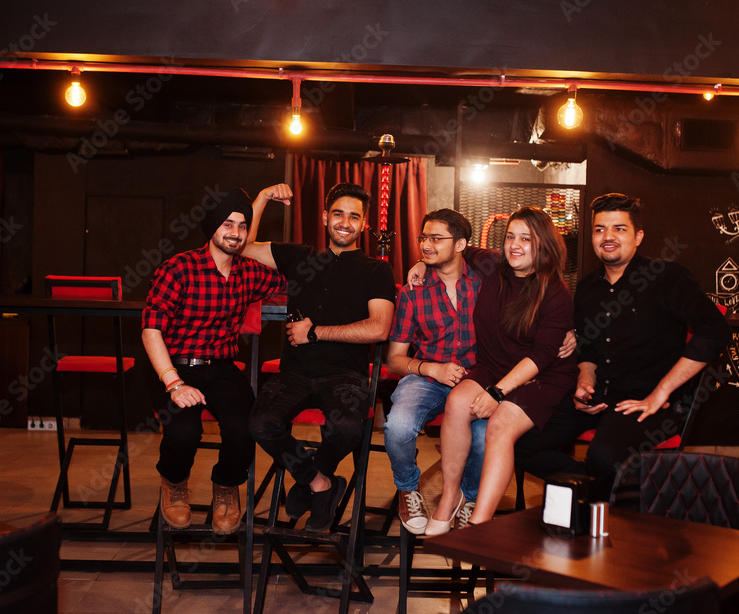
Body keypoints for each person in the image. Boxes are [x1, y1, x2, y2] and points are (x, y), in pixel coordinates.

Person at [515, 193, 732, 500]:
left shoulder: (668, 278)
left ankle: (601, 505)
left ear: (638, 236)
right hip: (598, 399)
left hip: (650, 404)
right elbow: (588, 352)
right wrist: (584, 382)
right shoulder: (588, 288)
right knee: (520, 443)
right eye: (601, 229)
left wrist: (661, 392)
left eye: (619, 228)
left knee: (603, 458)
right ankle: (599, 489)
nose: (608, 237)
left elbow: (716, 331)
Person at [245, 182, 397, 532]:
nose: (345, 222)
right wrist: (262, 197)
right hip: (294, 374)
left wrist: (315, 331)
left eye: (354, 217)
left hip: (346, 375)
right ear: (326, 217)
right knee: (259, 423)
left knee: (347, 428)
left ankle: (308, 479)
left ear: (364, 224)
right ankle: (320, 483)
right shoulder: (300, 257)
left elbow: (379, 328)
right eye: (339, 213)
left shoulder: (377, 270)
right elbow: (245, 248)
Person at [422, 206, 576, 534]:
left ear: (544, 245)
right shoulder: (491, 265)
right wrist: (421, 263)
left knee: (500, 425)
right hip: (494, 365)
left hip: (542, 376)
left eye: (526, 239)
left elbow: (544, 354)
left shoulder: (555, 292)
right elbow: (446, 248)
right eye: (510, 237)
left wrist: (497, 392)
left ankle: (480, 525)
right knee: (458, 402)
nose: (514, 245)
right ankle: (450, 497)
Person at [142, 188, 285, 535]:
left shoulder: (250, 273)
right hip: (175, 366)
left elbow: (296, 275)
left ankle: (226, 486)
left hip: (221, 367)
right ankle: (174, 483)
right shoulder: (178, 269)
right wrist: (174, 383)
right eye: (227, 224)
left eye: (241, 226)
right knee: (184, 430)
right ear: (211, 227)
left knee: (245, 425)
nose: (235, 232)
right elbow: (150, 330)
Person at [383, 209, 486, 534]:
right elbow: (395, 359)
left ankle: (469, 497)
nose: (426, 245)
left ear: (460, 244)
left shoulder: (485, 283)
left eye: (436, 238)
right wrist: (433, 369)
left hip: (476, 379)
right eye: (423, 238)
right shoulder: (413, 291)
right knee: (397, 427)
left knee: (484, 439)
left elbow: (524, 253)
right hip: (426, 378)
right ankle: (408, 488)